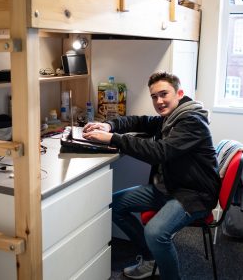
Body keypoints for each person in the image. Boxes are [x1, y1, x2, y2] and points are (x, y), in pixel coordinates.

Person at [83, 71, 221, 280]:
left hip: (194, 194)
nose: (159, 101)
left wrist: (112, 138)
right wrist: (110, 125)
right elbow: (140, 121)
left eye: (164, 94)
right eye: (154, 97)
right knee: (114, 206)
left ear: (179, 93)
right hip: (170, 187)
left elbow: (159, 152)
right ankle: (150, 258)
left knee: (155, 233)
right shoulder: (169, 118)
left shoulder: (191, 122)